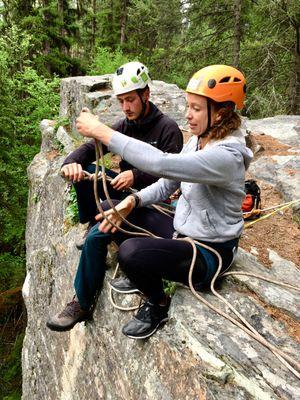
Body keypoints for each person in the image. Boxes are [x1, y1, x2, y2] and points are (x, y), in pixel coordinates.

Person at [47, 65, 253, 339]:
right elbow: (169, 183)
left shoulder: (227, 156)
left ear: (223, 111)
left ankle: (157, 302)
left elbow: (160, 163)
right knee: (110, 210)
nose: (188, 115)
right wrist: (132, 201)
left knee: (131, 253)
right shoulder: (201, 140)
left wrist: (101, 131)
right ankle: (85, 298)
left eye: (196, 109)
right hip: (184, 232)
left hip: (208, 252)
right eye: (188, 106)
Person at [61, 61, 183, 249]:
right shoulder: (124, 126)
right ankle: (92, 223)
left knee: (115, 202)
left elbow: (173, 174)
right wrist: (70, 162)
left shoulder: (168, 129)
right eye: (121, 101)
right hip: (124, 187)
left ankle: (109, 226)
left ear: (146, 95)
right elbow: (89, 149)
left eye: (130, 99)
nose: (125, 107)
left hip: (152, 198)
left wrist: (135, 175)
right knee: (86, 170)